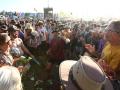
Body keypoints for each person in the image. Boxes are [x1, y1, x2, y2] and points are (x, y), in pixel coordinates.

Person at [85, 21, 120, 89]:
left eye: (108, 30)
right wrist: (93, 52)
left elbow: (110, 74)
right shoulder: (108, 43)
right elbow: (102, 57)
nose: (105, 32)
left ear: (117, 33)